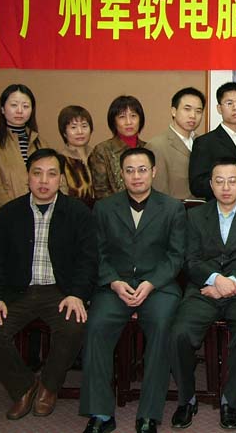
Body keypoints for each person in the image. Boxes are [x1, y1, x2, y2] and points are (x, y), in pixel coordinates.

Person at [0, 148, 96, 421]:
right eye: (37, 173)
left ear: (61, 179)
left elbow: (88, 261)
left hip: (60, 291)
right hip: (17, 292)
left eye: (51, 174)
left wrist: (77, 294)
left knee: (74, 325)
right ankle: (24, 386)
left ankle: (49, 387)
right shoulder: (7, 214)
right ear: (28, 177)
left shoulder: (78, 213)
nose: (44, 181)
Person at [80, 147, 186, 433]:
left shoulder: (172, 207)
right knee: (96, 326)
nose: (136, 176)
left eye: (142, 170)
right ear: (121, 174)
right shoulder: (104, 208)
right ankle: (100, 413)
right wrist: (113, 281)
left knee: (162, 326)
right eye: (129, 170)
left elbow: (176, 255)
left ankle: (149, 414)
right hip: (115, 285)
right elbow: (97, 253)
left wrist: (151, 283)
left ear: (153, 172)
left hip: (158, 286)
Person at [169, 159, 236, 430]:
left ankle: (230, 400)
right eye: (219, 181)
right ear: (211, 184)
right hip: (204, 289)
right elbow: (189, 260)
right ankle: (187, 399)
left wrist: (231, 283)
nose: (226, 187)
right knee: (179, 334)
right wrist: (216, 280)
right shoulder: (195, 215)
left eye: (232, 181)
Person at [0, 84, 50, 234]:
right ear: (2, 109)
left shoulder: (41, 143)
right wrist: (19, 214)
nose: (20, 111)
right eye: (14, 105)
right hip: (4, 220)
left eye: (25, 106)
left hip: (38, 221)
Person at [189, 82, 236, 201]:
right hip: (219, 208)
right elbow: (197, 186)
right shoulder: (205, 142)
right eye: (229, 103)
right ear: (219, 109)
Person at [145, 87, 205, 199]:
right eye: (187, 109)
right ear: (174, 111)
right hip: (176, 209)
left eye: (198, 111)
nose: (193, 115)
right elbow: (159, 193)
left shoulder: (204, 142)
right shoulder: (157, 146)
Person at [90, 95, 146, 200]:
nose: (128, 122)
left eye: (133, 116)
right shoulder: (102, 150)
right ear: (113, 121)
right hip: (114, 207)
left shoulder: (148, 148)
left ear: (140, 119)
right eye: (122, 117)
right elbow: (101, 191)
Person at [57, 105, 95, 207]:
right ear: (64, 132)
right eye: (73, 127)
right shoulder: (59, 160)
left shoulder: (97, 154)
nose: (80, 132)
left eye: (84, 126)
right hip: (72, 211)